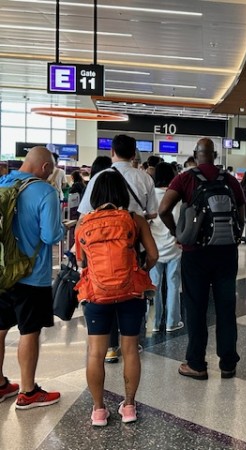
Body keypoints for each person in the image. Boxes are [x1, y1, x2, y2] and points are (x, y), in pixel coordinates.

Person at [158, 137, 246, 380]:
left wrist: (178, 232)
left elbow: (164, 209)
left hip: (195, 252)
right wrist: (235, 234)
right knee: (226, 308)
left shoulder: (185, 178)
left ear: (197, 155)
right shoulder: (228, 179)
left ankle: (196, 363)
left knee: (195, 307)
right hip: (226, 252)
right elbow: (242, 207)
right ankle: (228, 363)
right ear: (215, 156)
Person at [77, 170, 158, 426]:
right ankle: (130, 407)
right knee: (130, 349)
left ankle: (99, 410)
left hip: (97, 295)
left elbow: (81, 261)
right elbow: (153, 255)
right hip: (131, 292)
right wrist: (139, 270)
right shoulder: (135, 220)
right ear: (123, 193)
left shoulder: (85, 223)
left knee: (95, 353)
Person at [79, 135, 158, 363]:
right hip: (134, 245)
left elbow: (85, 214)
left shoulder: (100, 177)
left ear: (112, 151)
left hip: (100, 252)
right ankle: (131, 341)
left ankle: (111, 347)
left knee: (105, 287)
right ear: (135, 154)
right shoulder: (144, 177)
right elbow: (151, 213)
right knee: (128, 289)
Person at [0, 146, 65, 409]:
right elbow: (50, 236)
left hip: (3, 272)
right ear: (46, 168)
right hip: (31, 274)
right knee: (29, 331)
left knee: (0, 329)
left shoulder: (3, 183)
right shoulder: (45, 192)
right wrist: (63, 227)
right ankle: (28, 392)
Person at [149, 162, 183, 332]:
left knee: (154, 285)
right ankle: (172, 322)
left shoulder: (150, 196)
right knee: (174, 284)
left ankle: (154, 323)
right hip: (175, 247)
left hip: (154, 249)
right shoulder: (177, 195)